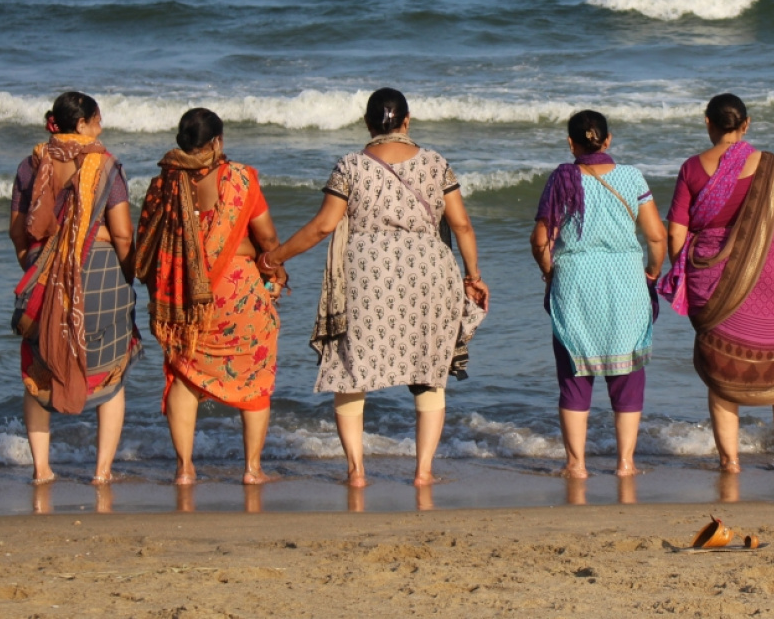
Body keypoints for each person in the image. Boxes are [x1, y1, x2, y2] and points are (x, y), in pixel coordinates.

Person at [260, 88, 488, 487]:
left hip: (368, 273)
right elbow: (462, 225)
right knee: (427, 368)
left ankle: (356, 471)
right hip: (429, 271)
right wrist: (473, 275)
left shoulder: (350, 166)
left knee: (351, 368)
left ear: (368, 124)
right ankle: (423, 472)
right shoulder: (436, 164)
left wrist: (274, 258)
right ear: (407, 121)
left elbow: (323, 226)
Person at [660, 94, 774, 472]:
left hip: (715, 280)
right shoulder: (771, 166)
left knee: (722, 377)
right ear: (746, 124)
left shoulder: (692, 168)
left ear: (708, 122)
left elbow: (675, 233)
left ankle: (731, 462)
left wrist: (682, 273)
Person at [136, 108, 285, 485]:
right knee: (253, 375)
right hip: (236, 294)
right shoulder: (239, 178)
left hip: (183, 295)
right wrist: (273, 268)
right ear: (217, 141)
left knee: (185, 375)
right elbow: (267, 236)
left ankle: (185, 468)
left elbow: (149, 240)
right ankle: (252, 469)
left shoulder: (163, 183)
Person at [8, 91, 143, 484]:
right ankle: (102, 472)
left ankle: (42, 470)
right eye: (96, 119)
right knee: (111, 372)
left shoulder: (31, 164)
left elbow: (18, 230)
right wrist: (128, 275)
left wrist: (34, 264)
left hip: (45, 272)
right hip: (100, 274)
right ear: (81, 124)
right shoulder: (106, 166)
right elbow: (123, 234)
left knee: (39, 370)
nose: (101, 126)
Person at [530, 110, 667, 478]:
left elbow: (541, 240)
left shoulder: (561, 179)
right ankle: (625, 464)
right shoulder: (631, 177)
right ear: (607, 140)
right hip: (626, 280)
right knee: (627, 376)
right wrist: (652, 272)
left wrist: (550, 273)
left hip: (575, 281)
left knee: (574, 376)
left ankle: (576, 465)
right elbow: (656, 236)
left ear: (571, 143)